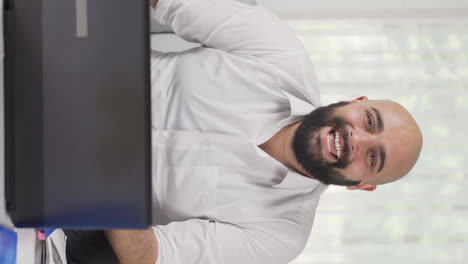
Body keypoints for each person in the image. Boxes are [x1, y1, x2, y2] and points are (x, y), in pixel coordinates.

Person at [104, 0, 423, 263]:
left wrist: (96, 183)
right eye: (369, 121)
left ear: (362, 186)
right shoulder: (279, 50)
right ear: (356, 101)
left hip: (71, 189)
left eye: (372, 157)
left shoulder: (279, 237)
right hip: (72, 69)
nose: (356, 139)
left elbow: (150, 255)